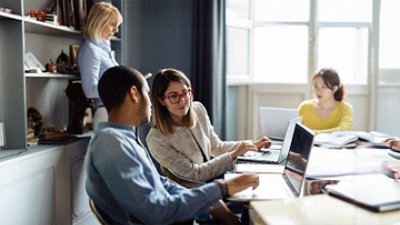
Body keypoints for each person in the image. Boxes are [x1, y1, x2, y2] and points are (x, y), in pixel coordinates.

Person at [84, 65, 260, 225]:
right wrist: (221, 189)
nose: (151, 103)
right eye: (147, 93)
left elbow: (161, 183)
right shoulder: (112, 145)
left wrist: (211, 199)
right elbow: (155, 212)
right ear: (134, 93)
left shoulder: (125, 138)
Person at [146, 68, 271, 188]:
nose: (183, 100)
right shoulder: (156, 139)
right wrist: (234, 154)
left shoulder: (198, 109)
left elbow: (216, 147)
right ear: (161, 101)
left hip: (217, 181)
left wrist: (252, 145)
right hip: (193, 194)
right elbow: (196, 174)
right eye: (174, 96)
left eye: (185, 93)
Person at [77, 2, 123, 130]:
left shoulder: (104, 49)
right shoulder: (90, 50)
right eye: (113, 24)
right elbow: (90, 90)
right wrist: (121, 89)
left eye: (117, 25)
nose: (116, 30)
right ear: (99, 22)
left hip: (116, 112)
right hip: (106, 114)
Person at [298, 68, 353, 134]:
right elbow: (294, 129)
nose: (318, 91)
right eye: (316, 87)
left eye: (323, 87)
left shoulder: (345, 108)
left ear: (335, 89)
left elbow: (342, 130)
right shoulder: (304, 107)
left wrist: (312, 133)